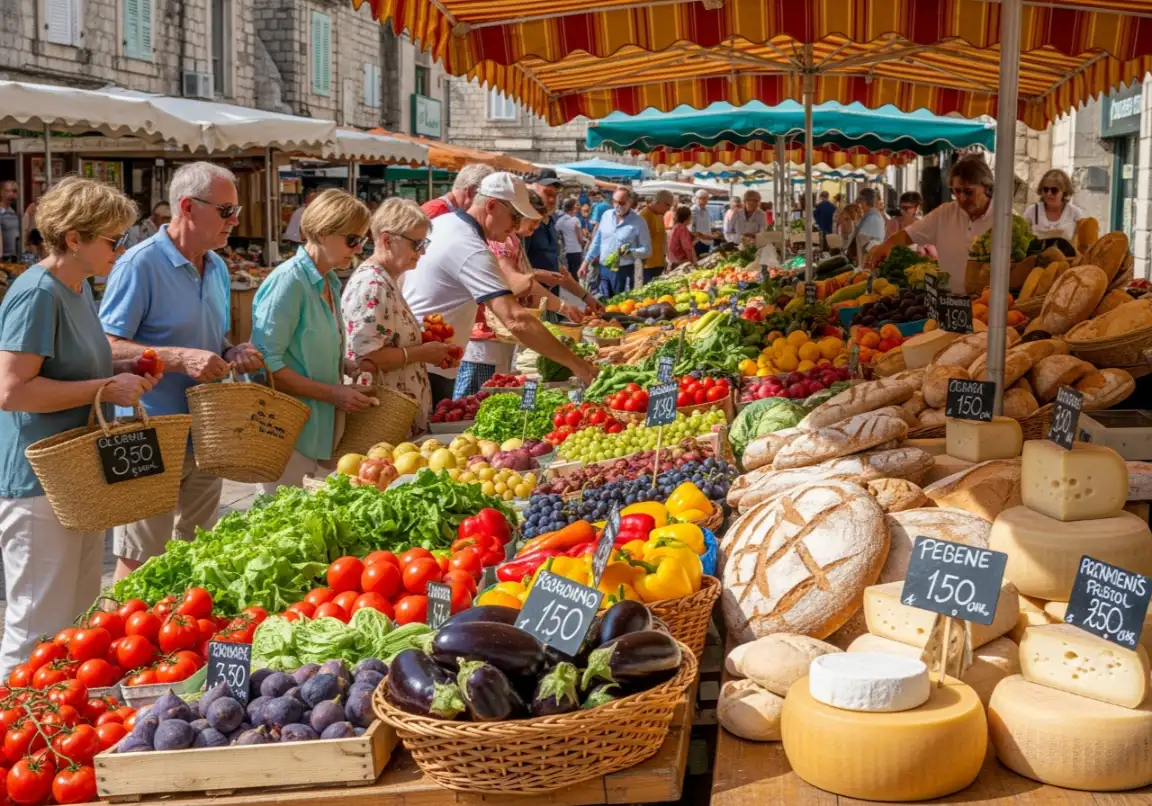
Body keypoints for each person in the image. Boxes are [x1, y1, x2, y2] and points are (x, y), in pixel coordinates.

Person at [0, 178, 158, 674]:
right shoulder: (37, 294)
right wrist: (103, 389)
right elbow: (10, 390)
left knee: (79, 617)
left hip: (78, 478)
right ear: (74, 238)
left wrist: (122, 375)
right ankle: (12, 736)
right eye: (114, 240)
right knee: (35, 625)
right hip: (39, 481)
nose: (123, 249)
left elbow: (77, 368)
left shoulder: (79, 287)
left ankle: (55, 720)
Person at [100, 162, 263, 581]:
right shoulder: (139, 264)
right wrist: (179, 358)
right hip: (146, 433)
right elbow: (107, 346)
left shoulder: (219, 268)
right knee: (140, 557)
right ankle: (122, 639)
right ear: (188, 207)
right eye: (227, 210)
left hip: (206, 433)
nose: (236, 220)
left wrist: (233, 350)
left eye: (236, 210)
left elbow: (212, 338)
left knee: (197, 551)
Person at [404, 172, 598, 403]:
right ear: (492, 206)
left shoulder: (444, 224)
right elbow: (515, 320)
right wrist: (579, 366)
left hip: (425, 354)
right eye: (515, 217)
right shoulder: (471, 247)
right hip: (428, 364)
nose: (517, 226)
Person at [252, 189, 376, 492]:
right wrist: (332, 394)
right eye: (352, 240)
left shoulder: (330, 280)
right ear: (322, 233)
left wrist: (344, 365)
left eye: (362, 240)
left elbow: (305, 346)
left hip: (319, 430)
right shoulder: (289, 281)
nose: (358, 249)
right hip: (286, 432)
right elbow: (265, 364)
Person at [457, 191, 584, 396]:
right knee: (472, 401)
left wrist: (534, 275)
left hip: (495, 336)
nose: (534, 229)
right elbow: (512, 281)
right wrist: (554, 298)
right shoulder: (504, 241)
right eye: (532, 223)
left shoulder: (512, 239)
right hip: (486, 337)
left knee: (487, 397)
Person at [342, 199, 447, 437]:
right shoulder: (373, 285)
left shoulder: (387, 279)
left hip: (396, 418)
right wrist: (421, 353)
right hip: (383, 422)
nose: (423, 251)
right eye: (417, 244)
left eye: (424, 243)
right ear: (387, 239)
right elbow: (364, 360)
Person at [866, 156, 995, 274]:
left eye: (968, 192)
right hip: (947, 297)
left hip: (985, 298)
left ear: (986, 187)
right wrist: (887, 245)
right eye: (956, 191)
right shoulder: (944, 213)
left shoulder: (1002, 219)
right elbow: (908, 235)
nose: (961, 197)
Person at [581, 188, 652, 298]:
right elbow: (597, 242)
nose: (617, 205)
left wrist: (630, 252)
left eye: (621, 203)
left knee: (620, 306)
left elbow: (647, 250)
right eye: (614, 201)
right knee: (601, 303)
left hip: (623, 272)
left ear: (630, 202)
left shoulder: (639, 222)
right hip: (603, 270)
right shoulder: (606, 216)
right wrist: (585, 263)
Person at [1023, 169, 1084, 241]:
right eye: (1045, 189)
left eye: (1054, 190)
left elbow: (1082, 243)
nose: (1049, 193)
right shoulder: (1032, 211)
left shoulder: (1075, 213)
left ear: (1064, 191)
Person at [422, 163, 493, 219]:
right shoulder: (436, 212)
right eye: (485, 198)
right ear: (471, 192)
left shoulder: (447, 212)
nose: (486, 206)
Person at [638, 190, 674, 285]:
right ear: (658, 201)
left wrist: (668, 258)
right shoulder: (643, 215)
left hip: (659, 263)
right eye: (667, 205)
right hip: (646, 266)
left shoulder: (660, 215)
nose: (668, 209)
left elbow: (663, 237)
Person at [846, 187, 887, 262]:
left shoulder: (873, 218)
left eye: (859, 201)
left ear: (864, 202)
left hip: (867, 262)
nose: (858, 204)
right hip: (863, 260)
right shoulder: (868, 216)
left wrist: (860, 265)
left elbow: (861, 241)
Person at [556, 197, 586, 278]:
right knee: (576, 273)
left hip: (567, 251)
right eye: (576, 205)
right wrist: (583, 244)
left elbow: (556, 233)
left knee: (569, 272)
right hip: (576, 250)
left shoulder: (560, 221)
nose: (578, 206)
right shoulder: (575, 220)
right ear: (572, 207)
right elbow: (580, 238)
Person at [690, 190, 715, 256]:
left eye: (706, 198)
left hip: (706, 242)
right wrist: (704, 237)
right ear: (698, 199)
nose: (706, 201)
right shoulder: (694, 210)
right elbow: (693, 229)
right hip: (698, 242)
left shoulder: (706, 209)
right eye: (704, 198)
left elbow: (707, 224)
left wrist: (712, 231)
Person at [0, 181, 20, 260]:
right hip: (3, 257)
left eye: (14, 191)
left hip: (14, 257)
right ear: (2, 192)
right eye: (8, 191)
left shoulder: (15, 213)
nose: (12, 194)